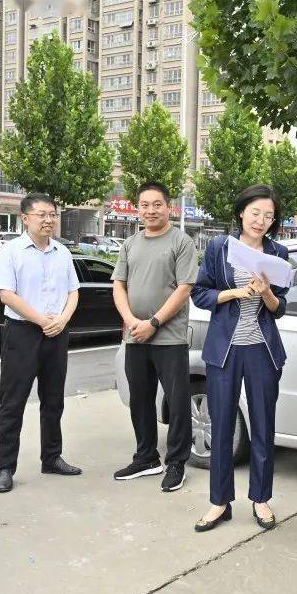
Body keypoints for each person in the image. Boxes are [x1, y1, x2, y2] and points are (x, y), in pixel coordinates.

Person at [191, 185, 290, 532]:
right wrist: (236, 292)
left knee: (263, 425)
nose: (261, 221)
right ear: (241, 213)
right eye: (255, 213)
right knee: (221, 426)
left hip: (262, 350)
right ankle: (220, 503)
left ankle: (260, 499)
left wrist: (266, 295)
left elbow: (279, 308)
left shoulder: (278, 252)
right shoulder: (220, 248)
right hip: (225, 350)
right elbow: (200, 294)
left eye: (268, 216)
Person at [0, 193, 82, 493]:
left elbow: (73, 291)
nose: (48, 220)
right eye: (42, 214)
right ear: (25, 218)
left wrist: (62, 320)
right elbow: (7, 295)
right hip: (22, 333)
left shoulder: (62, 252)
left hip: (57, 333)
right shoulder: (10, 251)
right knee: (13, 402)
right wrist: (43, 321)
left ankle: (52, 457)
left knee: (54, 399)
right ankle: (5, 467)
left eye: (52, 214)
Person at [111, 182, 198, 493]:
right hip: (135, 336)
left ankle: (176, 462)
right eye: (144, 205)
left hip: (169, 338)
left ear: (168, 206)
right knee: (140, 401)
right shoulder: (130, 244)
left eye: (156, 204)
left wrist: (154, 321)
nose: (150, 210)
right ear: (138, 208)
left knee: (176, 403)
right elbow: (118, 285)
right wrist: (132, 321)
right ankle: (147, 457)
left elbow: (184, 288)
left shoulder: (181, 242)